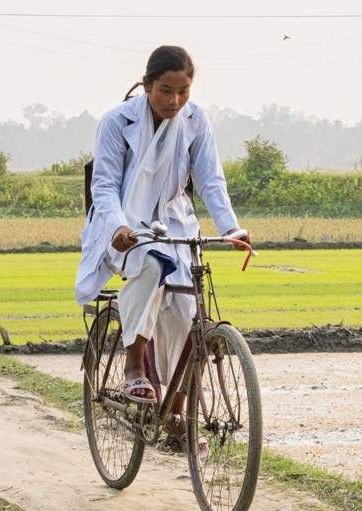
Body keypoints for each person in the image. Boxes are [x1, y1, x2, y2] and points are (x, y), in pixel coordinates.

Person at [75, 45, 252, 405]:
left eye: (183, 92)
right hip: (123, 222)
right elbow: (104, 184)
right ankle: (134, 366)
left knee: (187, 306)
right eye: (166, 91)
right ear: (146, 85)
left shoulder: (196, 121)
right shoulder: (117, 121)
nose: (175, 101)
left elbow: (209, 180)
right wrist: (118, 228)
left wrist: (231, 227)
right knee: (153, 265)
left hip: (175, 222)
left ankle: (175, 410)